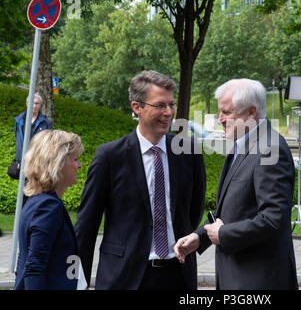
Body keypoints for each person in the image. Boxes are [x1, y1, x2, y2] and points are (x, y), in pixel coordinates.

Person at [75, 70, 205, 290]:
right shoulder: (110, 156)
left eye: (171, 105)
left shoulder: (189, 152)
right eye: (160, 105)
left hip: (178, 275)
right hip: (124, 277)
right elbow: (86, 226)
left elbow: (193, 212)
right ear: (137, 107)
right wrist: (77, 283)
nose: (169, 112)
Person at [174, 78, 298, 290]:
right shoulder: (245, 144)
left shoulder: (270, 149)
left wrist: (222, 235)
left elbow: (274, 220)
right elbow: (234, 211)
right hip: (242, 278)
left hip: (258, 282)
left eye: (227, 112)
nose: (220, 118)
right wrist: (200, 236)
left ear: (251, 112)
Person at [14, 129, 86, 290]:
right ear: (58, 163)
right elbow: (35, 267)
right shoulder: (48, 207)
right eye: (75, 159)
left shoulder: (36, 202)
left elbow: (24, 261)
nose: (79, 165)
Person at [14, 94, 53, 163]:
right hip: (21, 160)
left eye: (37, 103)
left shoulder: (45, 123)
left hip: (37, 161)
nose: (34, 106)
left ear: (40, 105)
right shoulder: (19, 120)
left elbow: (49, 143)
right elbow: (17, 138)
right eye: (32, 103)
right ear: (27, 104)